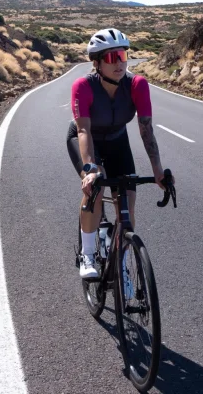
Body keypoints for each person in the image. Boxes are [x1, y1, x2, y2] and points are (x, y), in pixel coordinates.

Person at [67, 27, 169, 279]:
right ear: (97, 62)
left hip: (117, 141)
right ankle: (87, 254)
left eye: (122, 55)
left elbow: (146, 130)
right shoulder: (83, 86)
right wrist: (90, 170)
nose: (119, 63)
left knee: (127, 208)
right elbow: (83, 131)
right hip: (86, 140)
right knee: (95, 189)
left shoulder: (137, 85)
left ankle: (121, 264)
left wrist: (158, 171)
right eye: (112, 58)